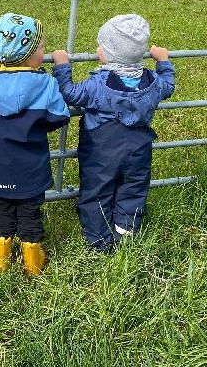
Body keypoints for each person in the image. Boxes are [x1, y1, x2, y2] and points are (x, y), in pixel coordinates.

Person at [0, 13, 70, 276]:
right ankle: (33, 264)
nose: (44, 52)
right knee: (30, 213)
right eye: (40, 47)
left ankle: (1, 262)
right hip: (30, 168)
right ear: (27, 53)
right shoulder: (46, 84)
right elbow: (59, 118)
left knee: (3, 210)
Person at [51, 14, 175, 252]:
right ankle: (126, 233)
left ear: (109, 54)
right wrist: (164, 61)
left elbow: (70, 94)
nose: (98, 49)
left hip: (101, 151)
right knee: (133, 188)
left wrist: (63, 66)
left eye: (102, 47)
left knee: (97, 191)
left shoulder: (98, 85)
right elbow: (169, 86)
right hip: (138, 149)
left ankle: (99, 241)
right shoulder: (153, 82)